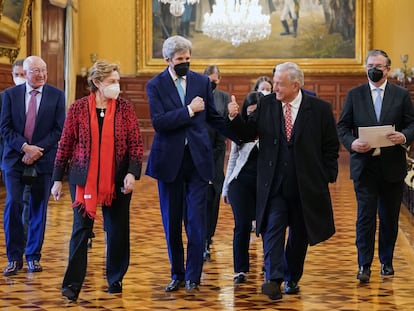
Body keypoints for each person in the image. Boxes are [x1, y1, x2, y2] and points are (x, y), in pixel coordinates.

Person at [227, 62, 339, 300]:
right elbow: (247, 134)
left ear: (295, 85)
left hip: (305, 186)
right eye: (274, 81)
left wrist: (327, 176)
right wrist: (235, 118)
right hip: (273, 185)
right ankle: (274, 278)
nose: (274, 87)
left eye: (279, 83)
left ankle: (291, 278)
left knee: (299, 236)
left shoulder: (319, 109)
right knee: (272, 229)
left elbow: (330, 146)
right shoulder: (266, 104)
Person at [145, 35, 237, 294]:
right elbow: (159, 122)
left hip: (198, 161)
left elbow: (214, 119)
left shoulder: (200, 81)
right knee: (172, 222)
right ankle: (177, 273)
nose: (185, 63)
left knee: (197, 222)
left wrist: (237, 129)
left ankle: (193, 277)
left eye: (188, 58)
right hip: (169, 163)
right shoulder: (156, 85)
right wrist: (188, 110)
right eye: (180, 60)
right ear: (167, 60)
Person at [50, 60, 143, 301]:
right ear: (97, 83)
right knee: (80, 231)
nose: (117, 86)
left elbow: (135, 144)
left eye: (117, 80)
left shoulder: (125, 108)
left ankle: (115, 278)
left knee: (117, 231)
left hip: (118, 179)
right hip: (83, 178)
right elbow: (66, 144)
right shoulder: (78, 108)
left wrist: (132, 173)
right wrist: (57, 179)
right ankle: (72, 284)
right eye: (112, 81)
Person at [337, 49, 414, 283]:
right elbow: (342, 127)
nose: (373, 69)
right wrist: (352, 143)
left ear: (387, 69)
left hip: (392, 167)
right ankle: (364, 264)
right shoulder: (355, 94)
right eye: (370, 65)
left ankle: (387, 262)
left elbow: (412, 124)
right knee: (365, 217)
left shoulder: (401, 95)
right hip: (365, 166)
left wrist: (404, 137)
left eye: (378, 66)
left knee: (389, 218)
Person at [0, 56, 66, 276]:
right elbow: (5, 128)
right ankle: (13, 257)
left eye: (44, 70)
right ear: (25, 73)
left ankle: (33, 256)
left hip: (44, 158)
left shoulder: (57, 95)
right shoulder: (9, 96)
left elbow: (58, 130)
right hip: (15, 159)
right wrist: (25, 147)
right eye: (36, 71)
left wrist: (37, 150)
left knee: (38, 208)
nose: (41, 75)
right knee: (14, 204)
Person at [222, 91, 262, 284]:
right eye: (250, 112)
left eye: (257, 112)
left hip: (263, 185)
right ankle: (240, 270)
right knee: (242, 225)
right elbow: (232, 159)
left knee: (268, 226)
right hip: (240, 183)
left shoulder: (269, 131)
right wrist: (225, 188)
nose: (253, 116)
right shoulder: (241, 131)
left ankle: (269, 265)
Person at [0, 59, 32, 246]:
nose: (20, 78)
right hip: (10, 157)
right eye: (16, 75)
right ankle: (14, 243)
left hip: (34, 158)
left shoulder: (41, 97)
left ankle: (26, 242)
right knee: (14, 202)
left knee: (28, 201)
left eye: (23, 74)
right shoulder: (4, 97)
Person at [203, 64, 230, 261]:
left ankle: (208, 235)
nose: (213, 83)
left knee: (213, 197)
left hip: (217, 152)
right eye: (210, 80)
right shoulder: (197, 96)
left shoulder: (224, 97)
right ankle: (201, 238)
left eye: (216, 80)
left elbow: (226, 125)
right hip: (198, 152)